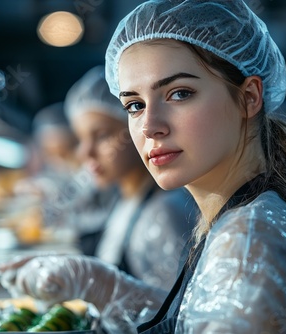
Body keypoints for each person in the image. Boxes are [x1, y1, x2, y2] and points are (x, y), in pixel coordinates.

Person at [0, 1, 286, 333]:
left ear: (249, 97)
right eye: (134, 105)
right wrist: (107, 288)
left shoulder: (247, 246)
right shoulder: (242, 220)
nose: (149, 126)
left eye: (179, 93)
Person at [62, 66, 195, 289]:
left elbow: (173, 314)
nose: (85, 153)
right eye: (80, 138)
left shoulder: (164, 212)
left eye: (102, 135)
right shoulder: (125, 196)